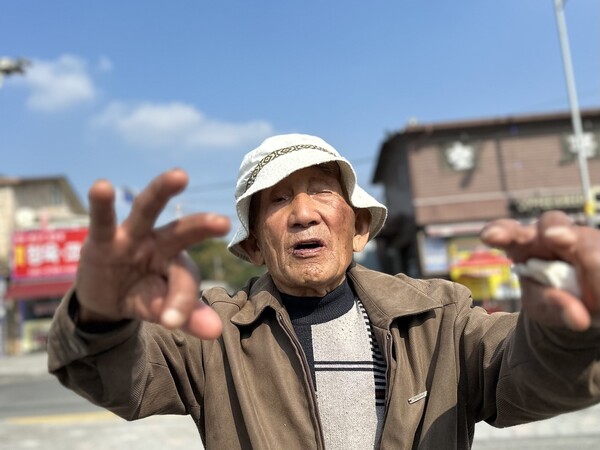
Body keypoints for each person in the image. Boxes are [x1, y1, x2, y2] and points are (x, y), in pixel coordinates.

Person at [47, 133, 600, 449]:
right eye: (279, 201)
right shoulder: (214, 332)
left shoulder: (440, 317)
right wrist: (98, 314)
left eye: (320, 193)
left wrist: (571, 332)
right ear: (254, 248)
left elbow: (527, 376)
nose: (304, 214)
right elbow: (119, 375)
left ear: (359, 228)